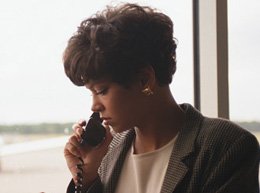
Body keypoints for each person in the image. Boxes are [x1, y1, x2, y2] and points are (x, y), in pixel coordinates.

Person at [62, 3, 260, 193]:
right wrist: (87, 179)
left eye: (102, 91)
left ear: (144, 80)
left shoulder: (226, 146)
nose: (94, 106)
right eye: (91, 92)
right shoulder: (107, 152)